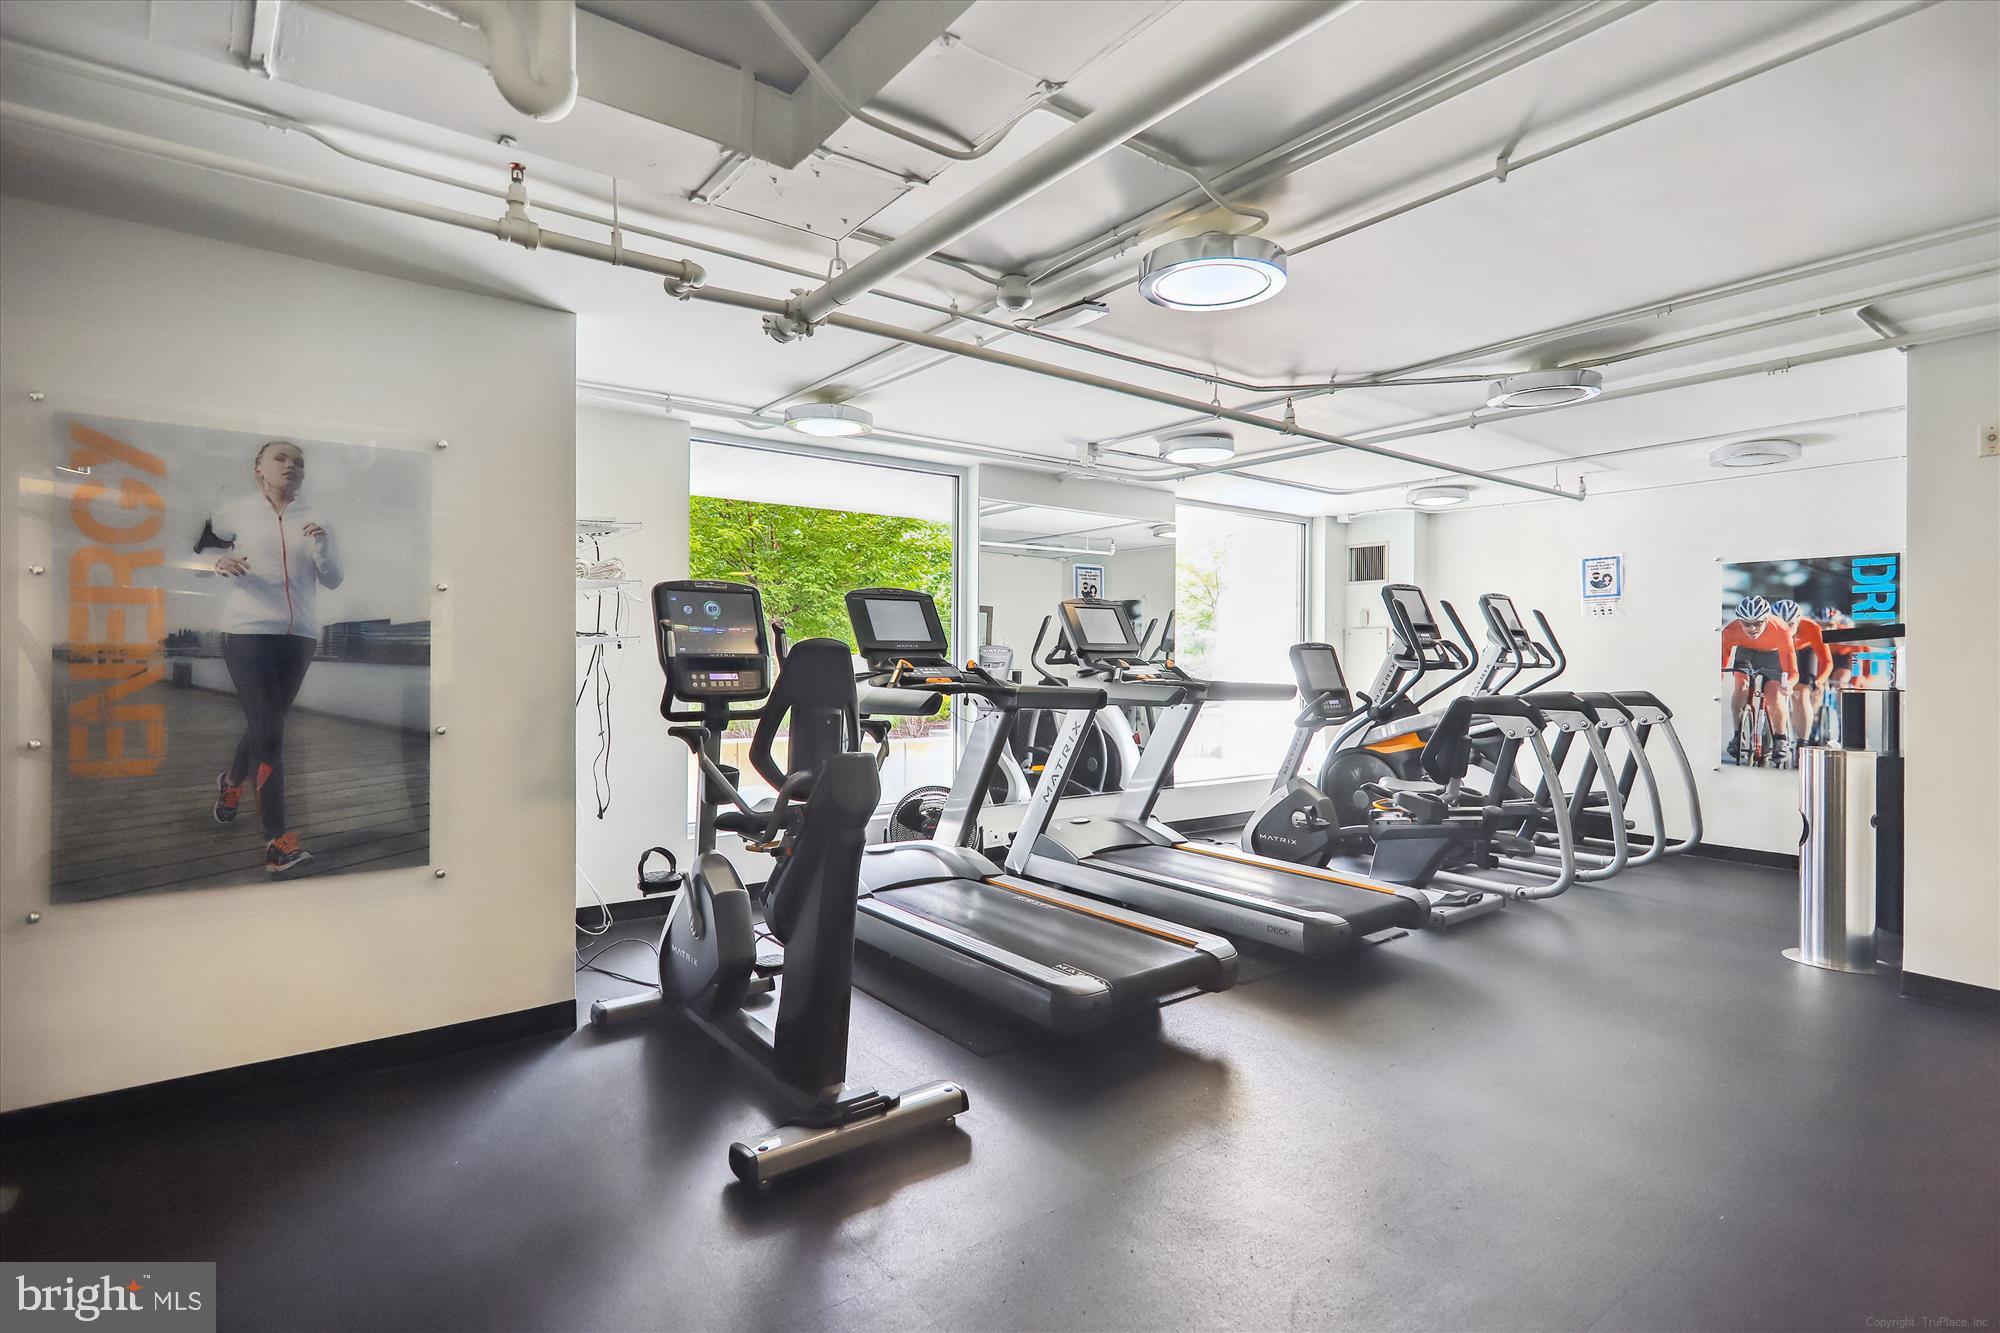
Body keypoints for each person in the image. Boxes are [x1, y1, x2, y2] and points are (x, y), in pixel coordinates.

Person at [198, 440, 342, 874]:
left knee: (267, 727)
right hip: (248, 633)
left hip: (299, 637)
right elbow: (200, 554)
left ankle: (230, 784)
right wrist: (219, 564)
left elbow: (333, 580)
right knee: (271, 735)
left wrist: (322, 550)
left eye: (298, 462)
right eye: (281, 458)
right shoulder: (234, 512)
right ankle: (277, 842)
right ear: (258, 467)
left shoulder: (316, 519)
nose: (291, 466)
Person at [1720, 594, 1797, 767]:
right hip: (1746, 654)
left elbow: (1792, 668)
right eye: (1747, 624)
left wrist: (1789, 684)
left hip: (1773, 656)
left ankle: (1780, 739)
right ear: (1740, 621)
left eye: (1758, 623)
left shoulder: (1780, 629)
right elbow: (1721, 661)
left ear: (1766, 619)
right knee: (1741, 685)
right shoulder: (1730, 631)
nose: (1753, 628)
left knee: (1774, 695)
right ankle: (1738, 735)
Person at [1774, 600, 1834, 745]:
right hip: (1779, 652)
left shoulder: (1812, 628)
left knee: (1801, 694)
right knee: (1771, 690)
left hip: (1804, 652)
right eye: (1781, 624)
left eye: (1790, 624)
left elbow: (1827, 662)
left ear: (1799, 621)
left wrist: (1819, 681)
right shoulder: (1767, 627)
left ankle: (1803, 742)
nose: (1786, 629)